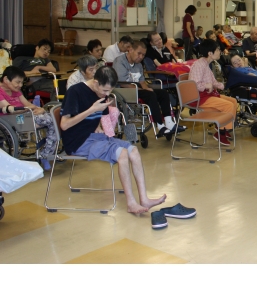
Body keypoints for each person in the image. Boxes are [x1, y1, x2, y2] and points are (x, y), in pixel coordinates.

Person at [60, 66, 167, 215]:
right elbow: (64, 125)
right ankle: (131, 203)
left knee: (133, 151)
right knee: (122, 153)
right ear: (95, 82)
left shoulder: (102, 93)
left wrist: (98, 127)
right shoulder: (75, 91)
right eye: (104, 90)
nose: (106, 94)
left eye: (109, 91)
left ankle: (144, 199)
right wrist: (91, 110)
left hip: (93, 137)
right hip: (77, 142)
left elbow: (99, 117)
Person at [112, 41, 180, 137]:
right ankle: (160, 125)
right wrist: (143, 90)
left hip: (137, 90)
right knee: (150, 95)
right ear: (130, 50)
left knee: (163, 93)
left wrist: (146, 88)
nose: (140, 57)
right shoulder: (120, 61)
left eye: (143, 55)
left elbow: (142, 82)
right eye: (139, 53)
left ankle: (169, 123)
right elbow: (122, 83)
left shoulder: (139, 65)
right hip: (124, 91)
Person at [0, 66, 57, 168]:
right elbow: (10, 109)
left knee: (55, 118)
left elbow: (27, 104)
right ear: (6, 79)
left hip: (24, 116)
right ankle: (46, 154)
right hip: (11, 120)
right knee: (51, 120)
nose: (20, 85)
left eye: (22, 82)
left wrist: (40, 109)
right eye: (18, 82)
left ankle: (47, 152)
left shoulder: (16, 91)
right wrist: (29, 109)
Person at [188, 39, 237, 147]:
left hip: (207, 95)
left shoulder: (206, 64)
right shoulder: (199, 65)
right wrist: (207, 85)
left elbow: (213, 81)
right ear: (210, 53)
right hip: (199, 98)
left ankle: (223, 127)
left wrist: (222, 85)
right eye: (218, 50)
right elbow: (194, 84)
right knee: (228, 105)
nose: (220, 52)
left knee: (233, 101)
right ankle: (220, 133)